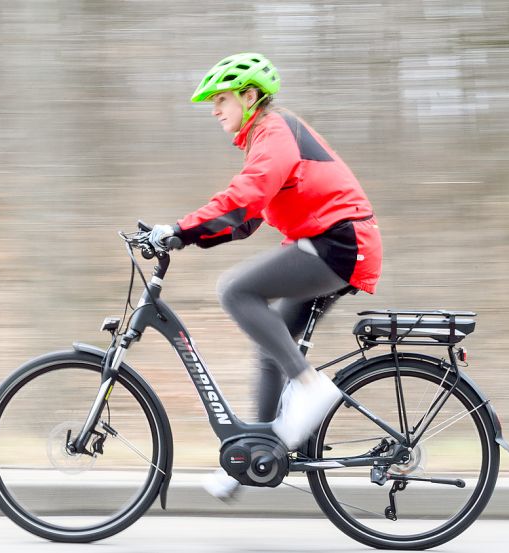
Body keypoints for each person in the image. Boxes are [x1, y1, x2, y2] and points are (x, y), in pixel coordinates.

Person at [147, 53, 383, 500]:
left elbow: (247, 195)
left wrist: (180, 230)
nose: (215, 109)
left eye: (221, 99)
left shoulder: (273, 131)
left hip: (338, 244)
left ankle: (311, 387)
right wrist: (186, 234)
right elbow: (245, 219)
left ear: (250, 96)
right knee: (270, 344)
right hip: (333, 243)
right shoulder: (266, 136)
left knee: (235, 290)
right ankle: (253, 459)